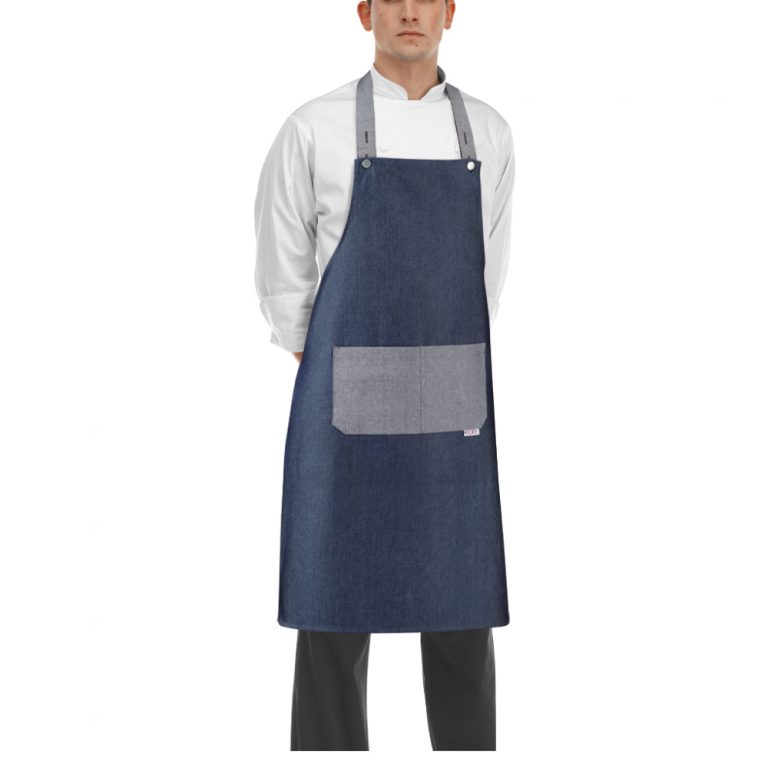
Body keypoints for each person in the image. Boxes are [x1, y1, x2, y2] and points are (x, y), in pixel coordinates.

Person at [254, 0, 516, 751]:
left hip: (454, 402)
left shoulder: (488, 131)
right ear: (365, 12)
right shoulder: (314, 127)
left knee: (461, 614)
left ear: (449, 12)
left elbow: (484, 277)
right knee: (333, 614)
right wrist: (338, 358)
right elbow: (282, 272)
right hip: (343, 398)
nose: (409, 11)